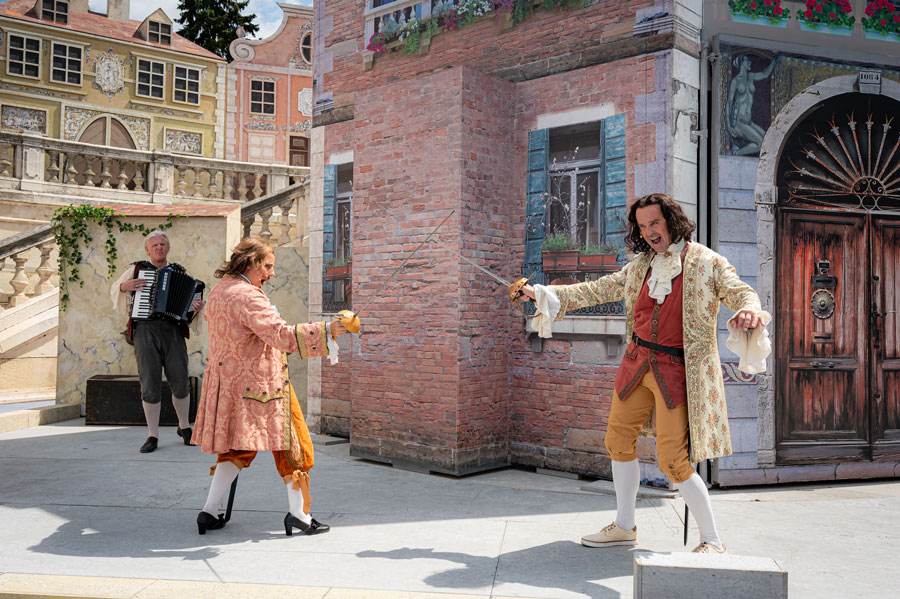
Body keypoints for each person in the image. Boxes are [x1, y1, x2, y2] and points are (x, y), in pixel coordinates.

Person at [515, 193, 768, 554]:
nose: (649, 231)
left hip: (678, 372)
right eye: (643, 225)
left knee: (673, 461)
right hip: (636, 365)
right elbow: (596, 289)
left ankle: (711, 540)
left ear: (672, 221)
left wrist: (748, 310)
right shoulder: (640, 266)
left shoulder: (707, 263)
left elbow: (741, 292)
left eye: (655, 223)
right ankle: (624, 525)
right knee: (617, 442)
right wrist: (539, 293)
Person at [191, 237, 350, 537]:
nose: (271, 273)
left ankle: (209, 511)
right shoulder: (249, 297)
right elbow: (281, 337)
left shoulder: (220, 290)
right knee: (294, 446)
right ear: (250, 263)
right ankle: (300, 516)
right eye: (267, 266)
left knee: (236, 449)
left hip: (232, 387)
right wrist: (329, 330)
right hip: (264, 387)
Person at [110, 230, 203, 454]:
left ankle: (184, 427)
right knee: (150, 382)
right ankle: (153, 435)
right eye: (155, 245)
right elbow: (115, 289)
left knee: (180, 381)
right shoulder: (136, 269)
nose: (159, 248)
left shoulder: (179, 271)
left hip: (173, 331)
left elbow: (190, 305)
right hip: (145, 330)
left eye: (162, 244)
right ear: (147, 250)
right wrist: (125, 287)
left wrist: (195, 308)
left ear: (168, 248)